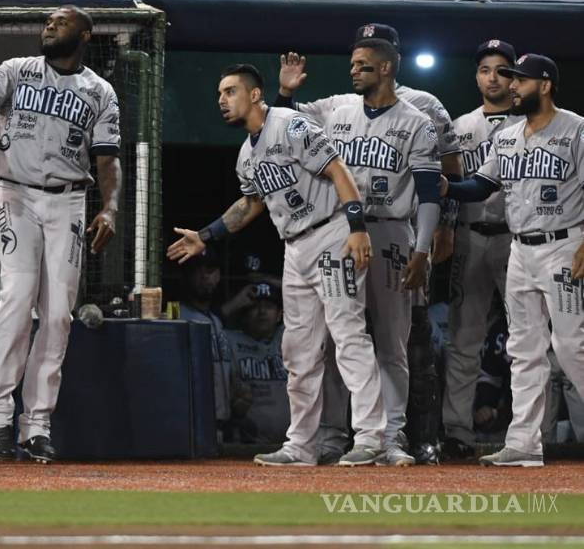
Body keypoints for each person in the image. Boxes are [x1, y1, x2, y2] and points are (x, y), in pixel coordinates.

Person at [168, 63, 385, 467]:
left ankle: (373, 437)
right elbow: (251, 203)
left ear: (254, 95)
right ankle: (301, 445)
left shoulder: (290, 125)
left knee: (348, 335)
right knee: (297, 350)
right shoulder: (245, 155)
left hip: (331, 233)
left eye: (230, 91)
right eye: (219, 94)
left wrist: (357, 227)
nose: (221, 100)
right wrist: (206, 235)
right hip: (295, 247)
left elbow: (338, 170)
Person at [278, 23, 463, 464]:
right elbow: (285, 126)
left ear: (386, 68)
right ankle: (333, 435)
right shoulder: (337, 107)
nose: (353, 71)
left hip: (393, 230)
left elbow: (429, 192)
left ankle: (390, 438)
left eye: (362, 65)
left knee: (392, 341)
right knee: (338, 337)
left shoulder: (417, 120)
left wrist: (423, 249)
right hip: (341, 231)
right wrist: (284, 93)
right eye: (352, 64)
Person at [0, 5, 122, 464]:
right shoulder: (17, 70)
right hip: (16, 194)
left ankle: (37, 425)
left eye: (61, 22)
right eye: (47, 21)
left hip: (68, 200)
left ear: (85, 35)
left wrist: (109, 207)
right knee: (16, 299)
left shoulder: (99, 91)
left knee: (59, 314)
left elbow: (107, 157)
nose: (50, 26)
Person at [441, 53, 584, 467]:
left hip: (563, 244)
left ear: (545, 85)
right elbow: (481, 185)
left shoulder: (576, 130)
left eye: (520, 80)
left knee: (571, 345)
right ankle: (524, 442)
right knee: (524, 348)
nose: (512, 86)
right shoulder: (507, 136)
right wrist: (446, 187)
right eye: (512, 79)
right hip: (520, 249)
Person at [441, 39, 519, 460]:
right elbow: (451, 187)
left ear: (515, 77)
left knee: (527, 339)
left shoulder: (531, 123)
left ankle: (532, 433)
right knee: (464, 338)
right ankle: (457, 431)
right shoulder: (460, 126)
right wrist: (446, 230)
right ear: (476, 76)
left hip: (516, 237)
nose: (493, 78)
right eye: (485, 69)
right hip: (471, 234)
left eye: (502, 70)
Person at [223, 280, 291, 447]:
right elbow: (209, 324)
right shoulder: (230, 340)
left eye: (269, 306)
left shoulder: (288, 337)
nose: (262, 312)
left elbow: (312, 300)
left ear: (279, 315)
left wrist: (264, 278)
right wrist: (234, 304)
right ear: (244, 314)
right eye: (254, 307)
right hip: (246, 444)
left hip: (291, 443)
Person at [177, 248, 234, 438]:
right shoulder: (177, 317)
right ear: (187, 276)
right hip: (192, 423)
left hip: (222, 423)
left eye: (210, 270)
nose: (204, 276)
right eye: (197, 270)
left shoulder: (217, 321)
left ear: (218, 276)